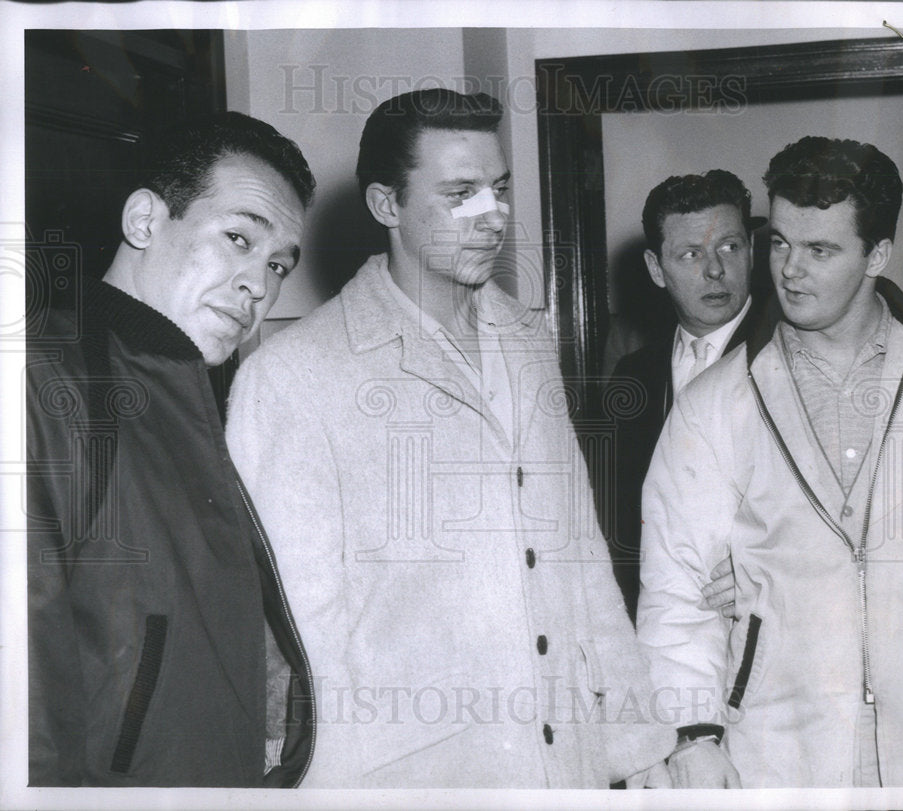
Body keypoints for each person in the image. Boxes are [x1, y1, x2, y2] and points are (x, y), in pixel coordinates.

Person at [226, 89, 673, 788]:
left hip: (567, 766)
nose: (492, 217)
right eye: (460, 193)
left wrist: (637, 741)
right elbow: (299, 642)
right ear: (386, 206)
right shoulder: (293, 377)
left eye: (498, 190)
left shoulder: (527, 339)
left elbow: (579, 556)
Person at [637, 136, 903, 787]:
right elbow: (675, 592)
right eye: (781, 243)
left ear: (877, 254)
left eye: (820, 249)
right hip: (782, 754)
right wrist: (693, 735)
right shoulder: (715, 404)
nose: (790, 270)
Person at [27, 112, 317, 787]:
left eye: (276, 264)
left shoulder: (198, 405)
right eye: (238, 238)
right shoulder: (43, 384)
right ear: (145, 222)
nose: (259, 285)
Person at [602, 170, 767, 622]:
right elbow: (614, 528)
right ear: (657, 269)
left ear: (751, 252)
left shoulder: (790, 358)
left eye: (730, 247)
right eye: (691, 253)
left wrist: (776, 571)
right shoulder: (631, 378)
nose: (714, 269)